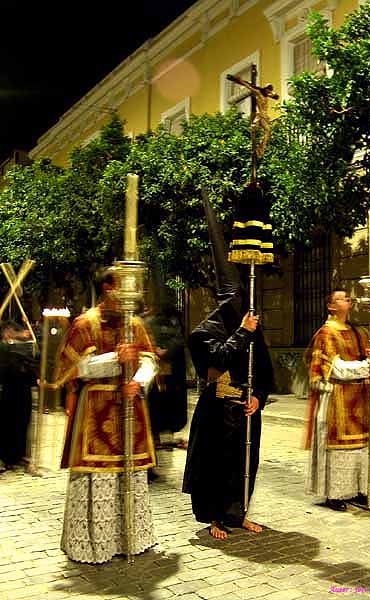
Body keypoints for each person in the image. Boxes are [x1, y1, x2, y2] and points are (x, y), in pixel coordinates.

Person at [182, 192, 274, 540]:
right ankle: (216, 518)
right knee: (216, 467)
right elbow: (217, 358)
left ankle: (239, 514)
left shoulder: (251, 326)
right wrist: (242, 333)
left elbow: (264, 368)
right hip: (218, 406)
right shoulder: (202, 332)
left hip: (247, 407)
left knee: (244, 464)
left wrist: (259, 397)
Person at [55, 267, 159, 563]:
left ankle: (132, 540)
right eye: (121, 288)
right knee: (96, 480)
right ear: (107, 288)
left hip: (130, 408)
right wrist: (115, 359)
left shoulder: (135, 324)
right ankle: (92, 545)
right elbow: (72, 368)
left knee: (131, 478)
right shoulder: (84, 323)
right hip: (94, 413)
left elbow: (149, 359)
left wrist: (139, 380)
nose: (128, 295)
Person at [304, 290, 370, 511]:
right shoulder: (326, 334)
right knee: (337, 449)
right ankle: (334, 494)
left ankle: (358, 490)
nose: (347, 300)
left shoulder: (359, 332)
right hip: (336, 398)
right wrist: (367, 366)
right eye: (340, 298)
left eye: (348, 297)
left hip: (359, 399)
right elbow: (335, 368)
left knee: (361, 447)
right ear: (330, 306)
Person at [144, 303, 188, 450]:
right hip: (155, 369)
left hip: (171, 370)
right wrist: (154, 350)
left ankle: (168, 435)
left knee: (171, 402)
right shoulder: (148, 321)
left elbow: (179, 341)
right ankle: (155, 436)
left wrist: (165, 351)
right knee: (156, 402)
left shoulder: (173, 322)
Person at [0, 321, 39, 472]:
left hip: (22, 391)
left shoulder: (22, 348)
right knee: (6, 424)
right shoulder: (4, 347)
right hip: (7, 391)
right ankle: (5, 457)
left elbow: (30, 365)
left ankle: (17, 456)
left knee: (21, 423)